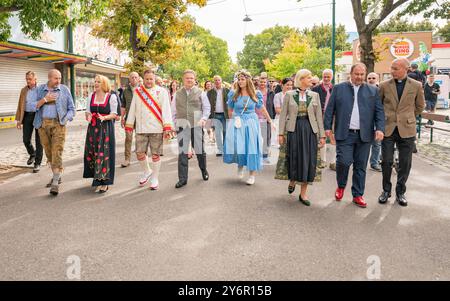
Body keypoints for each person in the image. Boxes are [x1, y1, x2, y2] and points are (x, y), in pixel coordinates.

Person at [324, 63, 385, 208]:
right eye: (356, 74)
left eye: (361, 74)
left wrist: (380, 128)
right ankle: (341, 186)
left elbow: (379, 112)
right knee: (343, 162)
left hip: (364, 135)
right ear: (350, 74)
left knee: (360, 166)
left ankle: (358, 195)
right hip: (345, 134)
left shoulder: (373, 90)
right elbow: (329, 109)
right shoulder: (339, 88)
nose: (359, 77)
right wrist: (327, 128)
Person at [378, 58, 425, 207]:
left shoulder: (416, 85)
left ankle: (400, 192)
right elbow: (378, 106)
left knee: (405, 163)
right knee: (386, 161)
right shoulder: (384, 85)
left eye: (395, 68)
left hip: (407, 128)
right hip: (388, 128)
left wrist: (407, 117)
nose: (392, 71)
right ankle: (386, 190)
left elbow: (420, 106)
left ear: (406, 69)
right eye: (391, 68)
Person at [277, 69, 326, 206]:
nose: (311, 80)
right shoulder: (289, 95)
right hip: (294, 129)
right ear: (301, 79)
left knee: (308, 160)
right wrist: (281, 134)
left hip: (310, 130)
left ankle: (303, 193)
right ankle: (292, 179)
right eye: (308, 78)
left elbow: (318, 117)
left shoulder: (315, 95)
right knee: (294, 157)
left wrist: (322, 136)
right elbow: (283, 116)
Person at [125, 70, 174, 190]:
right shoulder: (138, 91)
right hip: (141, 128)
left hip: (156, 128)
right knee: (139, 153)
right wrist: (129, 125)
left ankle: (155, 178)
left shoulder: (161, 91)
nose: (149, 81)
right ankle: (147, 171)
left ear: (154, 79)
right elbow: (132, 108)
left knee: (155, 154)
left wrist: (167, 127)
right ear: (143, 79)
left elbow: (166, 109)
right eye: (147, 79)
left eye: (151, 79)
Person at [224, 70, 274, 185]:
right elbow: (230, 109)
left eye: (242, 79)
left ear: (248, 80)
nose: (240, 81)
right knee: (238, 146)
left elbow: (261, 108)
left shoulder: (256, 94)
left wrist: (270, 121)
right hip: (237, 122)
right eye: (239, 79)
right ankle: (240, 165)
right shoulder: (233, 93)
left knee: (252, 147)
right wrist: (232, 121)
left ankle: (252, 175)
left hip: (251, 122)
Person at [34, 69, 76, 196]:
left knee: (56, 151)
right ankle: (56, 175)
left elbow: (72, 109)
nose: (59, 81)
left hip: (59, 124)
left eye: (60, 78)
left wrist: (65, 119)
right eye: (56, 78)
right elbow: (31, 106)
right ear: (49, 78)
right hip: (42, 125)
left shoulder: (64, 90)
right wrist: (44, 100)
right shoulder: (40, 90)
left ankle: (55, 183)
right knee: (49, 153)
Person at [172, 70, 211, 188]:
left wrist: (204, 119)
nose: (189, 80)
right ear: (183, 80)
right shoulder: (177, 94)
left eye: (191, 78)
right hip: (182, 125)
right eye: (187, 78)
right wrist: (174, 125)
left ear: (195, 80)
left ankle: (204, 170)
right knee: (183, 153)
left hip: (197, 125)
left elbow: (207, 107)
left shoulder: (201, 92)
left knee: (200, 151)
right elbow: (173, 110)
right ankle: (182, 179)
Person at [83, 75, 118, 193]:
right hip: (93, 128)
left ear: (104, 83)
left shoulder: (111, 97)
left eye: (99, 82)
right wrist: (88, 116)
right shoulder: (91, 96)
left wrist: (105, 117)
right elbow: (88, 112)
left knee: (104, 155)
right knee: (94, 153)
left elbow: (114, 114)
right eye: (95, 81)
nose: (96, 83)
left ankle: (105, 182)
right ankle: (97, 178)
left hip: (105, 129)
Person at [15, 71, 43, 173]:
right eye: (26, 79)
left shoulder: (40, 90)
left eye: (30, 79)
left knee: (39, 141)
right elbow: (20, 105)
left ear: (35, 79)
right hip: (27, 116)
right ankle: (32, 153)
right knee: (26, 139)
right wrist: (19, 120)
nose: (28, 81)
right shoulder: (23, 90)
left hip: (38, 115)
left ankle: (37, 163)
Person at [312, 69, 335, 170]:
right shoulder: (316, 89)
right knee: (322, 138)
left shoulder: (336, 88)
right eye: (324, 76)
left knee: (333, 138)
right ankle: (322, 160)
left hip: (333, 117)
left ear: (332, 77)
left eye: (328, 76)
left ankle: (333, 162)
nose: (326, 78)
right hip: (319, 116)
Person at [120, 72, 140, 168]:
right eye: (132, 77)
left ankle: (142, 157)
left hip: (140, 119)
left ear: (138, 79)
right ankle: (127, 159)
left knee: (140, 138)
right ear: (129, 79)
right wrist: (122, 118)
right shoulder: (125, 91)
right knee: (128, 139)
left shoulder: (143, 90)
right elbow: (123, 106)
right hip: (129, 119)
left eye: (136, 77)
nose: (134, 79)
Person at [207, 75, 230, 156]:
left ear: (221, 81)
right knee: (217, 133)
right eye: (215, 80)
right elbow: (208, 105)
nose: (217, 81)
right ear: (214, 82)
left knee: (225, 131)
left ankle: (225, 148)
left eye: (218, 80)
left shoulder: (227, 91)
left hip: (225, 115)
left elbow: (230, 103)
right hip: (215, 115)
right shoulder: (210, 92)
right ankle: (220, 150)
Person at [256, 77, 275, 163]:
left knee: (267, 137)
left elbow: (273, 105)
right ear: (258, 83)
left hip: (267, 117)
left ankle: (265, 155)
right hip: (256, 117)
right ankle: (258, 154)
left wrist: (272, 118)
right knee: (257, 137)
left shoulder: (271, 93)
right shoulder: (254, 92)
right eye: (261, 82)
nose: (262, 83)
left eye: (264, 82)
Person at [366, 72, 382, 172]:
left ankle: (374, 163)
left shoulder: (381, 90)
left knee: (376, 144)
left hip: (377, 121)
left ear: (377, 79)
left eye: (373, 78)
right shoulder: (363, 89)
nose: (371, 79)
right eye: (369, 78)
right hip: (365, 122)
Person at [273, 77, 294, 148]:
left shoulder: (294, 95)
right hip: (281, 120)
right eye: (287, 85)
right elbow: (277, 110)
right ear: (282, 85)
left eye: (291, 85)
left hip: (292, 121)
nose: (290, 87)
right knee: (281, 143)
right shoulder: (278, 96)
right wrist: (290, 112)